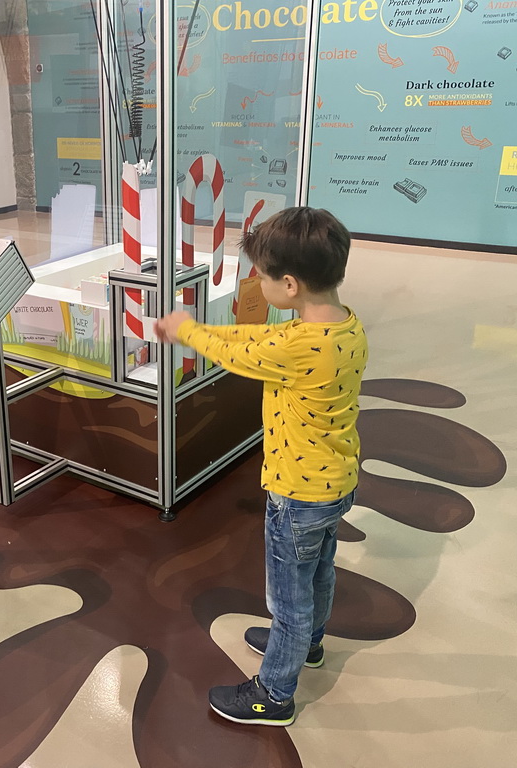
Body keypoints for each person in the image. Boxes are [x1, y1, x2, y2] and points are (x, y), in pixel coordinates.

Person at [155, 206, 367, 726]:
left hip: (297, 493)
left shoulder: (298, 346)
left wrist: (186, 331)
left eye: (263, 277)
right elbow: (257, 342)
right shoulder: (344, 326)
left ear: (290, 285)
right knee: (318, 573)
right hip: (336, 482)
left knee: (287, 598)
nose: (258, 283)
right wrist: (203, 328)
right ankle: (307, 646)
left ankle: (273, 694)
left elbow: (244, 356)